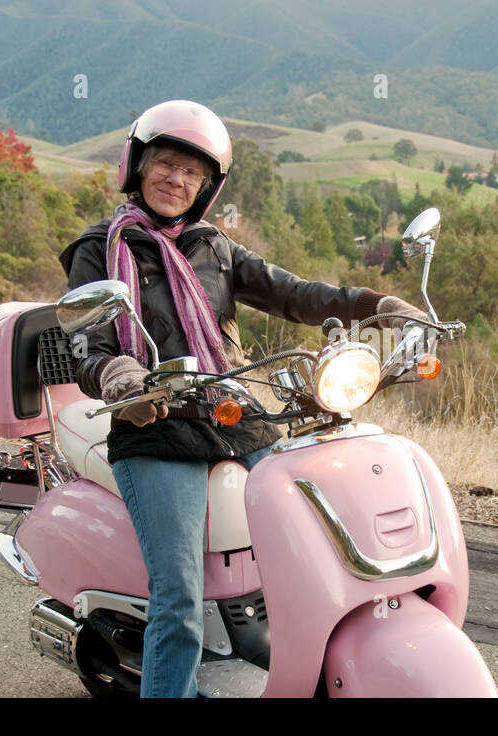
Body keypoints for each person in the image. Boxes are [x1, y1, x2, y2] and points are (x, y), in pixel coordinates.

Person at [58, 99, 425, 697]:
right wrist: (121, 378)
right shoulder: (100, 247)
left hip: (231, 413)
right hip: (154, 425)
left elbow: (294, 294)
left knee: (320, 533)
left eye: (192, 172)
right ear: (138, 166)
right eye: (166, 164)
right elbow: (85, 344)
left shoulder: (214, 246)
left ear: (206, 187)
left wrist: (373, 305)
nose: (177, 179)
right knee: (179, 596)